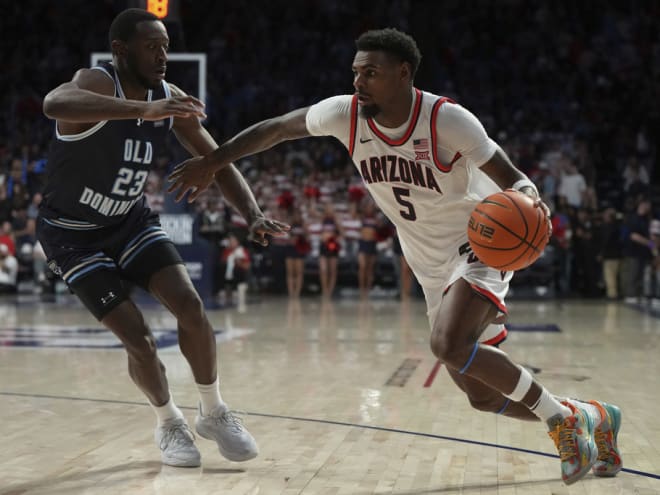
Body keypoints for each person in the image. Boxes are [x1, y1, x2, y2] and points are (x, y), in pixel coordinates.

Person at [168, 28, 622, 484]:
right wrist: (214, 161)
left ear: (403, 74)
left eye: (371, 72)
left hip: (481, 243)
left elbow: (513, 177)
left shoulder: (447, 119)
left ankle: (559, 422)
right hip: (427, 261)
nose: (359, 81)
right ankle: (590, 415)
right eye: (356, 72)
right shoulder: (345, 114)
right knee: (480, 397)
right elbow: (276, 130)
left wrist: (528, 198)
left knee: (447, 345)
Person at [38, 8, 289, 468]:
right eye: (152, 46)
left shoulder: (168, 97)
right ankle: (167, 420)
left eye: (166, 46)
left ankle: (213, 410)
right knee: (140, 339)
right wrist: (143, 110)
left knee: (191, 306)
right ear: (120, 51)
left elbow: (216, 159)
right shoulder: (97, 83)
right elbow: (53, 104)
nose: (163, 56)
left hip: (129, 222)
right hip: (72, 237)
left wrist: (251, 214)